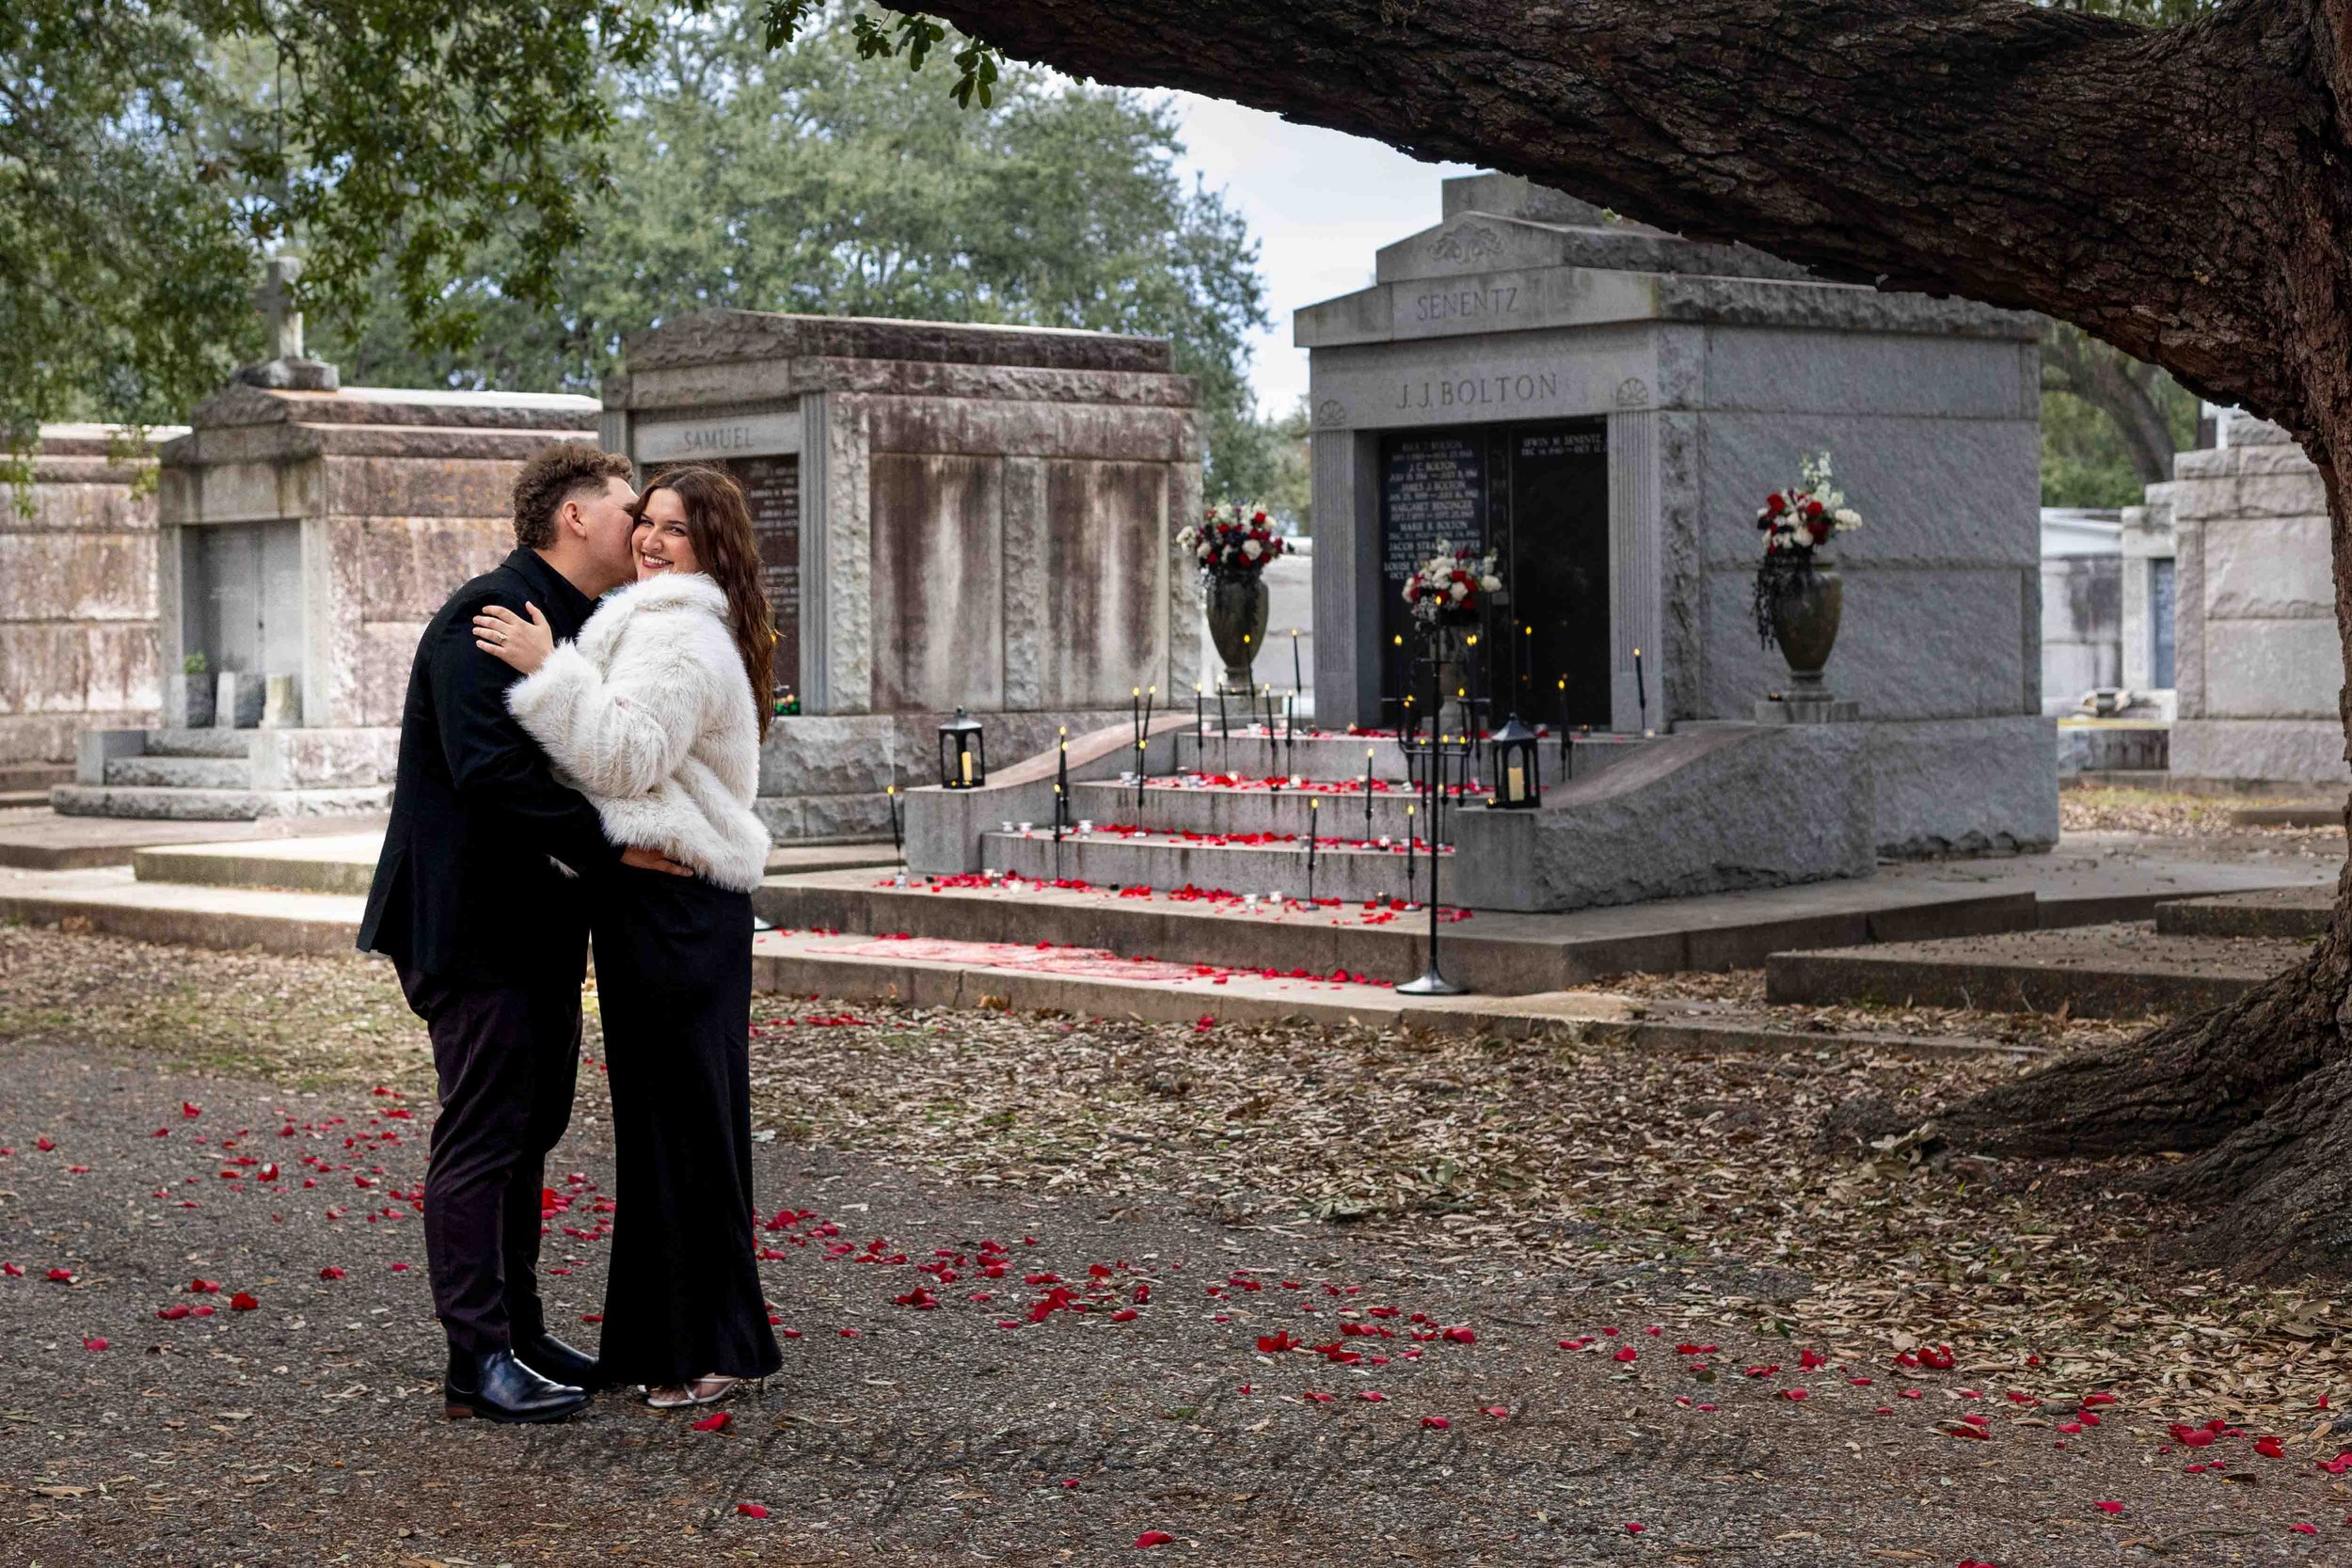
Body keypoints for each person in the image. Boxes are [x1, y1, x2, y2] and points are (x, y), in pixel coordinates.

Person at [358, 443, 691, 1425]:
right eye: (630, 508)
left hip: (537, 925)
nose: (643, 525)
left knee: (530, 1127)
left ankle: (520, 1327)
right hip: (468, 925)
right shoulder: (489, 615)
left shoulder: (583, 623)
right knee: (484, 1134)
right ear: (577, 517)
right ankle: (477, 1359)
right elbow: (490, 773)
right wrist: (617, 848)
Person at [474, 463, 782, 1409]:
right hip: (659, 901)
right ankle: (680, 1337)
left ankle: (704, 1345)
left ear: (713, 545)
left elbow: (623, 754)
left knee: (683, 1124)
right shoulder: (654, 623)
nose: (651, 538)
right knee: (669, 1123)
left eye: (677, 528)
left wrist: (547, 670)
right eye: (647, 519)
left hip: (681, 905)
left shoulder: (680, 638)